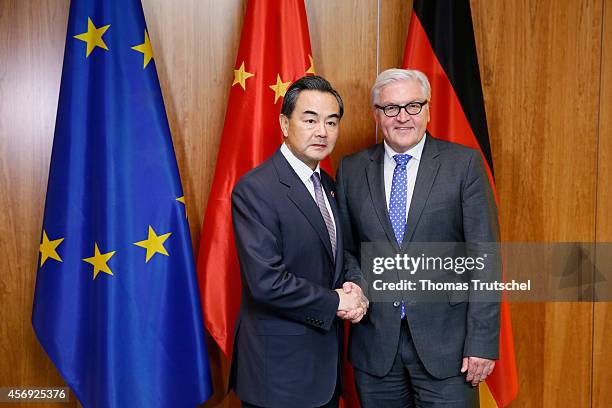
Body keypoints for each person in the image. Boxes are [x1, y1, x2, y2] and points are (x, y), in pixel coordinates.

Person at [336, 68, 500, 407]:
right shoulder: (351, 169)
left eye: (413, 106)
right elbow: (348, 250)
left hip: (449, 349)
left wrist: (481, 342)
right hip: (376, 344)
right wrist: (355, 286)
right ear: (376, 114)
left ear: (428, 109)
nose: (403, 117)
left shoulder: (463, 164)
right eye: (391, 108)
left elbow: (484, 257)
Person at [229, 75, 368, 408]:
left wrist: (357, 289)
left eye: (331, 122)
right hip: (278, 376)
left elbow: (342, 255)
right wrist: (336, 302)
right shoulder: (257, 189)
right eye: (310, 119)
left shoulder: (330, 187)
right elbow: (266, 282)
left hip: (324, 372)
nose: (322, 131)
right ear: (284, 123)